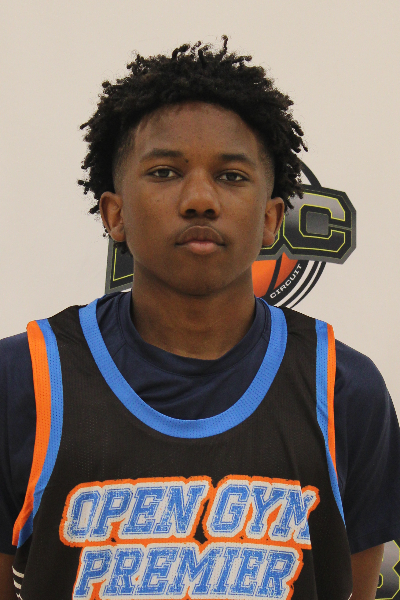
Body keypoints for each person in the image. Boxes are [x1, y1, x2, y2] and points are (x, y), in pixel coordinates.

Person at [0, 37, 399, 600]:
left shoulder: (343, 389)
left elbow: (352, 585)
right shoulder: (22, 381)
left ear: (271, 219)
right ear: (115, 214)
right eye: (165, 172)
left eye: (231, 176)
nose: (200, 200)